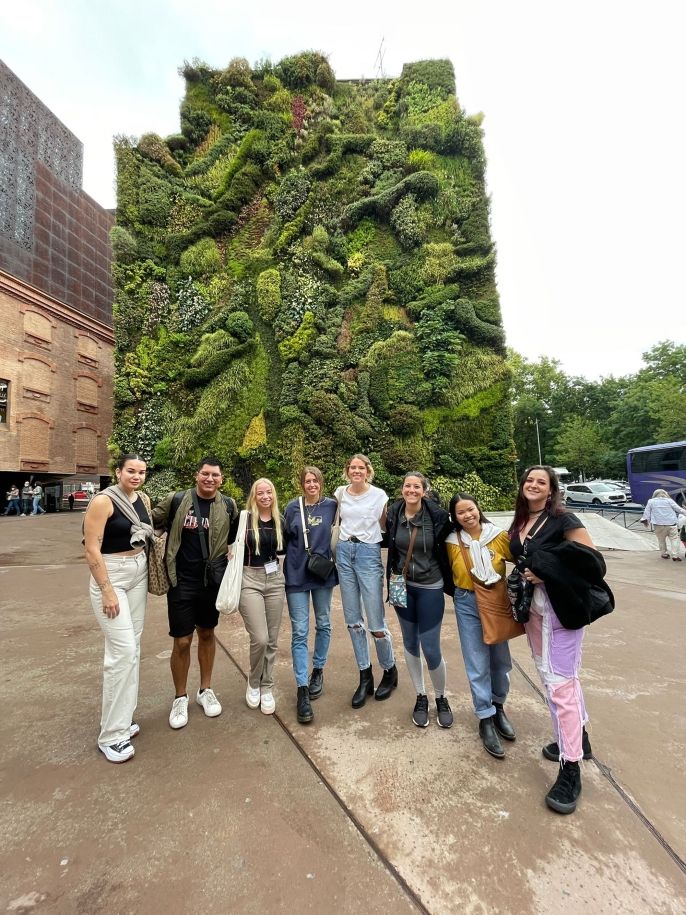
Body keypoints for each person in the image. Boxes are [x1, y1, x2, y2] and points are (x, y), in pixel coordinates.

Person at [509, 465, 596, 815]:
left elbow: (592, 561)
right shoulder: (520, 522)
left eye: (540, 482)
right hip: (533, 611)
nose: (533, 485)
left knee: (561, 683)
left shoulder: (563, 519)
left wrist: (547, 569)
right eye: (529, 480)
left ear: (551, 490)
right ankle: (582, 738)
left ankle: (570, 767)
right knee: (550, 675)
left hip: (561, 611)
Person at [152, 456, 237, 730]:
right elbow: (150, 520)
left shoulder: (228, 505)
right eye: (205, 474)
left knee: (208, 634)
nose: (210, 479)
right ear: (196, 475)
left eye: (215, 475)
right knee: (182, 641)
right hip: (182, 582)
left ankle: (205, 690)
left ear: (221, 479)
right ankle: (180, 697)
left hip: (212, 583)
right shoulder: (177, 500)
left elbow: (235, 536)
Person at [84, 454, 152, 763]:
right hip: (112, 574)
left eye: (141, 472)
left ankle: (123, 720)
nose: (136, 476)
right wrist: (106, 590)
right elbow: (91, 548)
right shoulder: (102, 501)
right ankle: (110, 735)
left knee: (132, 648)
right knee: (121, 652)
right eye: (131, 471)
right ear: (118, 472)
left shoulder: (143, 499)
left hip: (137, 571)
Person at [445, 493, 516, 758]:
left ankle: (498, 706)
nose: (467, 515)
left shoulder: (498, 536)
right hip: (466, 601)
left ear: (478, 509)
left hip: (496, 598)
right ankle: (484, 716)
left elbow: (519, 559)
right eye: (460, 512)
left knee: (500, 659)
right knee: (476, 660)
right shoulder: (452, 541)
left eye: (470, 510)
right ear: (454, 516)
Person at [386, 472, 453, 728]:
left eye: (416, 486)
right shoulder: (394, 513)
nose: (411, 490)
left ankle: (441, 697)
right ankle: (421, 695)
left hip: (430, 587)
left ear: (424, 490)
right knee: (410, 642)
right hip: (403, 586)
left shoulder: (436, 516)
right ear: (402, 489)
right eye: (407, 486)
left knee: (431, 646)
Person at [335, 453, 397, 708]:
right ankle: (365, 676)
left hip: (368, 552)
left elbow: (386, 525)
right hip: (344, 551)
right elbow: (335, 521)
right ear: (347, 470)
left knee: (375, 622)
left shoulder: (379, 495)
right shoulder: (340, 493)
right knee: (352, 621)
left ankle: (389, 669)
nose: (356, 471)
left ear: (368, 471)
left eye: (361, 468)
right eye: (352, 467)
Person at [283, 466, 338, 724]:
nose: (311, 484)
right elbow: (281, 538)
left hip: (322, 573)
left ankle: (318, 669)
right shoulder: (292, 508)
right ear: (301, 484)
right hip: (296, 573)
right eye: (307, 481)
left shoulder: (333, 506)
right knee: (300, 631)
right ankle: (302, 688)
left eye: (315, 480)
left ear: (321, 482)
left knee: (324, 623)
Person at [232, 478, 286, 715]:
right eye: (260, 493)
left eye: (269, 492)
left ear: (274, 495)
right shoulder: (243, 520)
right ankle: (253, 681)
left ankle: (267, 686)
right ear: (253, 495)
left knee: (272, 639)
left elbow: (288, 550)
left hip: (274, 580)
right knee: (261, 638)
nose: (265, 496)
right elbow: (227, 545)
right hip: (249, 579)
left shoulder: (279, 520)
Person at [640, 488, 686, 561]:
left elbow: (647, 512)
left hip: (658, 525)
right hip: (671, 524)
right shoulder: (669, 501)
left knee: (661, 540)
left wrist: (645, 520)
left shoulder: (651, 501)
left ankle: (664, 554)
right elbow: (679, 509)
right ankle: (675, 555)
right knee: (674, 540)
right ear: (665, 494)